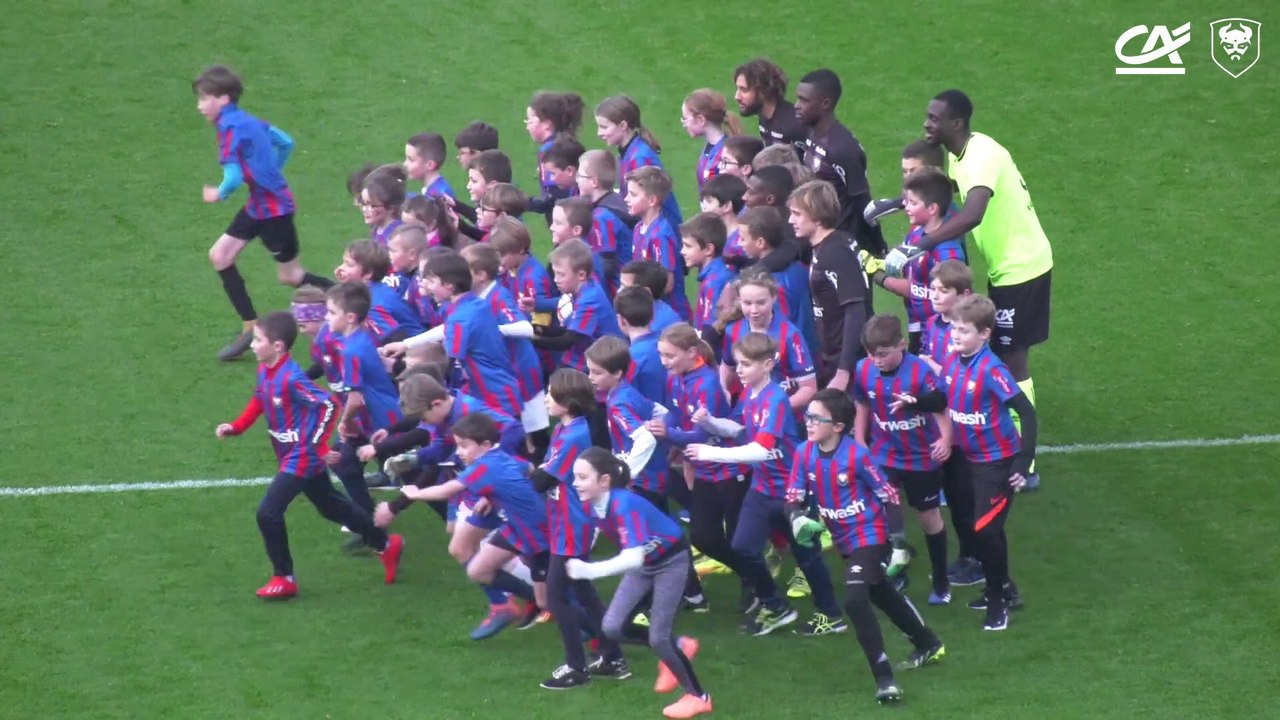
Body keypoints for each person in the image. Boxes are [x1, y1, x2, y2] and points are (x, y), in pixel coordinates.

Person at [887, 90, 1053, 489]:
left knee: (1013, 361)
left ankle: (1022, 460)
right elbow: (943, 200)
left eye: (933, 118)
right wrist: (895, 203)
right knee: (999, 353)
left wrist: (917, 245)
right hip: (1008, 268)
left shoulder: (980, 156)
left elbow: (973, 212)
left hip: (1022, 269)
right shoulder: (962, 158)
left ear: (956, 124)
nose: (926, 124)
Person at [215, 311, 404, 598]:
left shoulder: (291, 377)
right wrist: (237, 426)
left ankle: (284, 577)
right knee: (330, 506)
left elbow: (328, 405)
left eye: (257, 340)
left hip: (301, 456)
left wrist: (317, 447)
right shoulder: (266, 369)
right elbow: (260, 397)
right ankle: (385, 544)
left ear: (277, 346)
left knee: (268, 513)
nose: (252, 345)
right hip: (291, 452)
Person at [786, 389, 945, 704]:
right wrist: (796, 519)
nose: (809, 422)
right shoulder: (804, 453)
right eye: (808, 416)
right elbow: (792, 496)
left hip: (870, 537)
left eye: (817, 418)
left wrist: (896, 542)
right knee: (880, 592)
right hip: (845, 541)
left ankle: (885, 680)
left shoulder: (857, 456)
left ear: (839, 427)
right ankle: (927, 643)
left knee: (855, 599)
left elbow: (889, 495)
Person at [686, 332, 843, 636]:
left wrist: (710, 452)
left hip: (791, 492)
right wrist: (709, 424)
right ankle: (775, 606)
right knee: (743, 547)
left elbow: (760, 448)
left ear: (767, 365)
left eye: (745, 364)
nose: (738, 369)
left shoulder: (776, 398)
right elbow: (741, 429)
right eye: (738, 363)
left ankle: (831, 615)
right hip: (763, 487)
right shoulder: (751, 394)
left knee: (807, 556)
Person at [192, 65, 332, 361]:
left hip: (275, 212)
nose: (200, 106)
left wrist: (218, 193)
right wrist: (269, 171)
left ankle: (351, 298)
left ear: (224, 99)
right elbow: (286, 142)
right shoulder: (249, 120)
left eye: (205, 98)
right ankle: (250, 325)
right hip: (259, 204)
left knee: (291, 276)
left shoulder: (229, 128)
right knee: (220, 256)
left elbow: (230, 175)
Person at [567, 448, 713, 719]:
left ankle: (699, 697)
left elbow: (632, 558)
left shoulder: (624, 503)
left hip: (671, 561)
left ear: (604, 481)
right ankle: (678, 646)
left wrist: (590, 570)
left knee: (658, 637)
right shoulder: (592, 504)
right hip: (646, 563)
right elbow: (601, 529)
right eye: (575, 476)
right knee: (612, 626)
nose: (575, 483)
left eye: (582, 477)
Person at [935, 294, 1037, 630]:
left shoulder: (992, 370)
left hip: (998, 463)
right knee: (974, 527)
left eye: (964, 331)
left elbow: (1027, 412)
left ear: (984, 334)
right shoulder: (953, 361)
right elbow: (942, 397)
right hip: (970, 458)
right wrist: (914, 401)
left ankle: (998, 601)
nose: (956, 336)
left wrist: (1022, 463)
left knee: (986, 530)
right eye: (954, 329)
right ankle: (1005, 587)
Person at [400, 413, 549, 632]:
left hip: (534, 533)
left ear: (486, 444)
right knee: (475, 567)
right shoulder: (497, 457)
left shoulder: (482, 467)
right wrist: (491, 494)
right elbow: (528, 469)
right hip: (514, 526)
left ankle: (594, 631)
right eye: (457, 446)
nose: (459, 452)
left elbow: (445, 491)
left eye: (463, 446)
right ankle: (522, 602)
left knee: (555, 594)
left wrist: (415, 493)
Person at [529, 370, 629, 689]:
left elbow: (543, 479)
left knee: (556, 596)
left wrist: (521, 478)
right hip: (565, 520)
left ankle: (576, 666)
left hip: (573, 524)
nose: (546, 398)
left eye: (551, 393)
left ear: (568, 402)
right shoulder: (565, 428)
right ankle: (613, 657)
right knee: (584, 593)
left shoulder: (573, 436)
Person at [852, 315, 953, 605]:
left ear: (902, 345)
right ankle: (897, 569)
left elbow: (940, 406)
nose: (876, 360)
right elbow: (861, 402)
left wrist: (945, 439)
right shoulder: (863, 370)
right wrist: (860, 440)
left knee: (928, 518)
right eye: (871, 354)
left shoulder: (920, 373)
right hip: (885, 453)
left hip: (922, 457)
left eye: (883, 354)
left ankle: (942, 580)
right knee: (884, 509)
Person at [651, 324, 749, 585]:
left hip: (729, 469)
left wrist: (667, 434)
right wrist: (667, 431)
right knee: (703, 537)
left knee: (739, 540)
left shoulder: (707, 384)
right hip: (705, 468)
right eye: (661, 355)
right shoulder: (675, 377)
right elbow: (675, 413)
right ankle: (751, 576)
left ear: (692, 352)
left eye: (669, 356)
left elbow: (700, 435)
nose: (664, 362)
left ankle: (760, 591)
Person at [383, 253, 522, 419]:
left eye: (432, 281)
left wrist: (399, 368)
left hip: (492, 396)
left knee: (501, 440)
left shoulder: (460, 318)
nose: (426, 285)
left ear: (449, 285)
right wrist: (406, 344)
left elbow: (447, 366)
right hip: (503, 388)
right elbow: (448, 329)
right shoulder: (473, 305)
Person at [919, 260, 984, 588]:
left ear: (964, 294)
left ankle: (977, 560)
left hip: (963, 429)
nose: (935, 296)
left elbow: (965, 377)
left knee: (963, 500)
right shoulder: (932, 324)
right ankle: (968, 556)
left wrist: (934, 368)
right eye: (933, 289)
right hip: (940, 423)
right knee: (952, 498)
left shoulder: (967, 332)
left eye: (944, 291)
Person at [864, 166, 967, 355]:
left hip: (944, 336)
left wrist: (877, 276)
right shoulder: (916, 234)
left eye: (912, 203)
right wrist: (879, 262)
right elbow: (907, 272)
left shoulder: (948, 253)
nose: (906, 207)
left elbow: (918, 290)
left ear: (932, 208)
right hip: (919, 327)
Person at [324, 283, 404, 528]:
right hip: (379, 416)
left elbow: (356, 399)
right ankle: (367, 523)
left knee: (417, 476)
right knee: (343, 462)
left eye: (330, 312)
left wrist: (345, 422)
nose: (326, 317)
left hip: (384, 421)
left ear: (349, 318)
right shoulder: (359, 337)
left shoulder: (351, 351)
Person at [793, 68, 888, 256]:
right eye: (798, 98)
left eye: (804, 100)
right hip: (817, 237)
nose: (797, 105)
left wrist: (878, 245)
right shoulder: (812, 133)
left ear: (825, 103)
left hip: (842, 245)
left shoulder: (843, 149)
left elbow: (862, 201)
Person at [787, 180, 871, 390]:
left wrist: (844, 370)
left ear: (816, 216)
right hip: (834, 353)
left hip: (845, 358)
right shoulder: (835, 242)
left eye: (797, 214)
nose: (790, 220)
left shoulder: (834, 253)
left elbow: (855, 310)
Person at [718, 272, 816, 418]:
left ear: (773, 298)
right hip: (747, 413)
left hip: (784, 419)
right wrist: (723, 390)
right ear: (739, 300)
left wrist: (775, 408)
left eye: (761, 303)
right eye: (747, 303)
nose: (754, 310)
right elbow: (727, 368)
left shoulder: (790, 335)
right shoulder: (733, 331)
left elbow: (809, 388)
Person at [596, 95, 683, 229]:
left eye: (604, 127)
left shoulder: (639, 159)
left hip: (659, 231)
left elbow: (646, 202)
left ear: (623, 125)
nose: (599, 133)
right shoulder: (628, 152)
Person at [625, 166, 692, 321]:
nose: (626, 199)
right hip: (648, 308)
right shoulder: (638, 228)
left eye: (633, 194)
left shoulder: (661, 235)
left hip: (668, 315)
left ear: (652, 200)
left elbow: (667, 283)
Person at [334, 240, 424, 343]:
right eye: (343, 262)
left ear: (368, 273)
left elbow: (391, 339)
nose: (341, 268)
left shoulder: (372, 305)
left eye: (349, 265)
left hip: (414, 348)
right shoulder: (373, 290)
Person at [576, 149, 636, 294]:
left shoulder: (601, 216)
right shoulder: (615, 201)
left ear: (594, 182)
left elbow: (606, 265)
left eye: (580, 175)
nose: (576, 179)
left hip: (617, 291)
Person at [524, 92, 585, 225]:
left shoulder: (549, 151)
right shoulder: (562, 143)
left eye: (530, 120)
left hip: (566, 220)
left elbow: (554, 197)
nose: (527, 126)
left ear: (546, 124)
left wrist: (523, 202)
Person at [679, 212, 735, 339]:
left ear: (708, 249)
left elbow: (710, 330)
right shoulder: (714, 274)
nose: (682, 251)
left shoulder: (713, 283)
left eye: (688, 246)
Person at [732, 58, 806, 151]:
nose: (737, 96)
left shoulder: (795, 124)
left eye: (744, 90)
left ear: (764, 91)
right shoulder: (764, 116)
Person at [680, 89, 742, 190]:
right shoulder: (710, 147)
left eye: (685, 118)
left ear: (701, 120)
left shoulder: (726, 154)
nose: (684, 123)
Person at [614, 287, 667, 405]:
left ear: (621, 320)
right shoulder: (667, 344)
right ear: (653, 316)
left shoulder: (630, 358)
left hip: (647, 419)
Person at [619, 260, 681, 334]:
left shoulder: (656, 328)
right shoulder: (641, 311)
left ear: (646, 292)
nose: (619, 291)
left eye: (625, 287)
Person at [361, 167, 407, 246]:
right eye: (364, 203)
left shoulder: (396, 234)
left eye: (372, 205)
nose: (365, 209)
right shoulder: (377, 229)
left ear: (391, 208)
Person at [403, 131, 456, 200]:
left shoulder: (440, 195)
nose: (405, 164)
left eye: (411, 159)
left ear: (430, 165)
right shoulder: (433, 189)